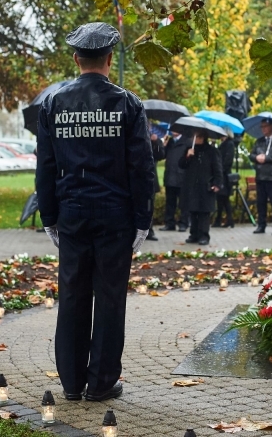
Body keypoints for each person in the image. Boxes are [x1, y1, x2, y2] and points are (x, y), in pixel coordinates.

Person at [36, 21, 155, 402]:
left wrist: (49, 216)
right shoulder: (128, 103)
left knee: (71, 296)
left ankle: (71, 382)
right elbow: (142, 167)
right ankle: (102, 382)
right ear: (108, 58)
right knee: (109, 298)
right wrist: (143, 220)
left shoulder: (53, 103)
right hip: (115, 216)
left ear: (76, 59)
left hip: (72, 213)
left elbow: (46, 165)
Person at [179, 130, 223, 245]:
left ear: (202, 138)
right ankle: (194, 234)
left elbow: (217, 169)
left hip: (205, 185)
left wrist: (217, 183)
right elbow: (181, 164)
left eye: (196, 136)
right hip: (192, 185)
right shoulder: (189, 149)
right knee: (193, 210)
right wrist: (187, 156)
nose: (194, 138)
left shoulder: (212, 151)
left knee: (204, 212)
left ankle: (204, 235)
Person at [159, 129, 189, 232]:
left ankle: (183, 223)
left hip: (182, 176)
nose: (173, 130)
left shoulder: (187, 141)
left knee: (183, 202)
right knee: (170, 202)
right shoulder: (170, 141)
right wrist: (163, 145)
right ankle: (169, 223)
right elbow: (162, 156)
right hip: (170, 176)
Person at [213, 132, 235, 228]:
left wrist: (220, 169)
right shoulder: (222, 144)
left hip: (224, 175)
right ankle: (226, 219)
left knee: (223, 198)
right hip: (221, 174)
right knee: (222, 198)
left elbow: (227, 160)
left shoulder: (229, 144)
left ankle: (224, 219)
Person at [148, 128, 165, 241]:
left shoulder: (154, 139)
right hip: (135, 178)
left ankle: (149, 231)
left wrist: (156, 142)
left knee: (149, 207)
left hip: (149, 179)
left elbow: (161, 155)